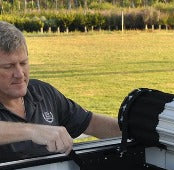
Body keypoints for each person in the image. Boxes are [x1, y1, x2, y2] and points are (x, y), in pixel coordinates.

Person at [0, 21, 121, 161]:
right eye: (8, 66)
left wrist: (135, 130)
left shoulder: (43, 93)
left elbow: (92, 124)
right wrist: (32, 131)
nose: (20, 74)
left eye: (23, 63)